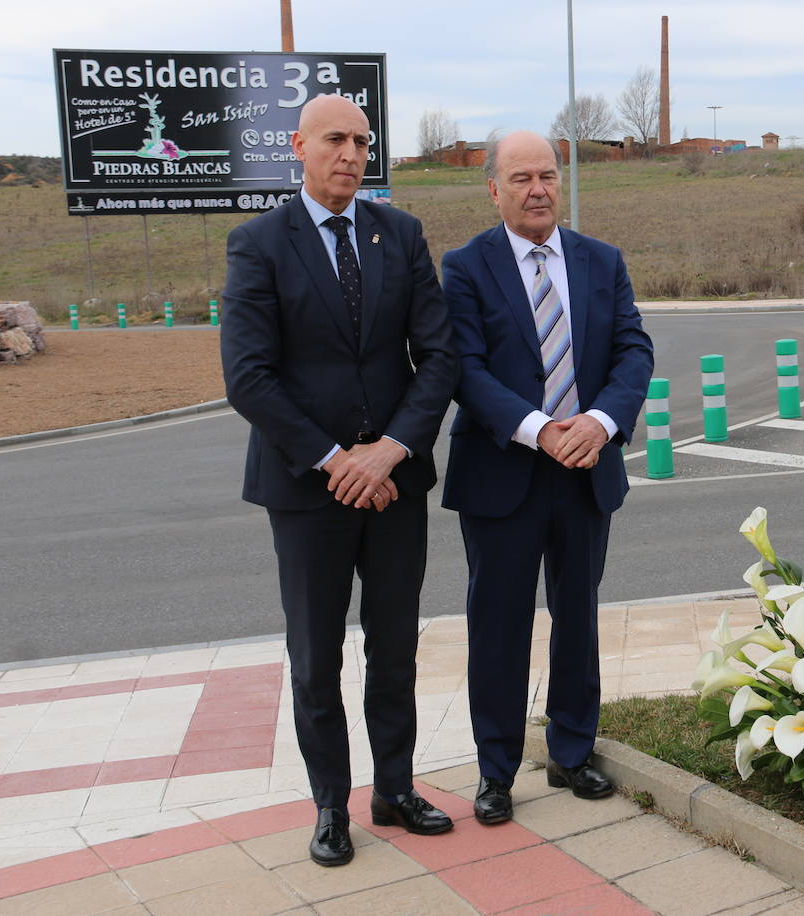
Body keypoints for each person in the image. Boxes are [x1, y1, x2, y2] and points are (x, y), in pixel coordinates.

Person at [220, 94, 458, 866]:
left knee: (395, 648)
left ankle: (396, 788)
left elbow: (439, 357)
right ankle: (331, 805)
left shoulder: (401, 235)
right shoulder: (259, 244)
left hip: (395, 486)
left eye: (362, 140)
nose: (351, 154)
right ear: (299, 147)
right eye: (335, 139)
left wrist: (390, 450)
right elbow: (248, 377)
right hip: (307, 489)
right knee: (316, 657)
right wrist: (337, 460)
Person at [440, 130, 654, 824]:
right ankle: (496, 771)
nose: (538, 190)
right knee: (497, 627)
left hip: (586, 469)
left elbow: (633, 350)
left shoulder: (601, 261)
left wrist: (601, 422)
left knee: (578, 617)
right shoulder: (465, 267)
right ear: (493, 189)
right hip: (503, 472)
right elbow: (464, 368)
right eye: (521, 178)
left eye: (547, 176)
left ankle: (572, 751)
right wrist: (540, 429)